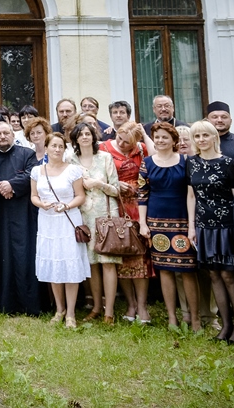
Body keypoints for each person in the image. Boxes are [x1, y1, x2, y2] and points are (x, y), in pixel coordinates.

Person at [186, 120, 234, 342]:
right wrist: (192, 226)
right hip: (204, 226)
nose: (201, 140)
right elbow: (191, 196)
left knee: (229, 274)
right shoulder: (192, 162)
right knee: (213, 274)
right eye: (197, 136)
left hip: (226, 225)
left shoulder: (228, 163)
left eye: (205, 135)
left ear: (214, 137)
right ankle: (225, 325)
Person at [139, 122, 200, 331]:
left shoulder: (186, 161)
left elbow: (192, 194)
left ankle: (195, 319)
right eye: (157, 137)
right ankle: (172, 318)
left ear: (174, 140)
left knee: (188, 270)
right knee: (164, 269)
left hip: (182, 219)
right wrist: (143, 224)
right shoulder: (147, 163)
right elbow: (142, 195)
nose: (160, 140)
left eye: (165, 137)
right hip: (157, 221)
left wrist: (192, 225)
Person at [31, 133, 90, 327]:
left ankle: (71, 313)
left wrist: (67, 205)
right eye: (53, 146)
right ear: (46, 147)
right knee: (54, 264)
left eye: (60, 146)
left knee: (69, 264)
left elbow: (80, 196)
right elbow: (33, 196)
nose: (57, 149)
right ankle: (59, 309)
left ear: (65, 149)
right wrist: (41, 203)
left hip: (68, 220)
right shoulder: (37, 171)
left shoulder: (73, 170)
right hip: (47, 221)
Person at [100, 121, 153, 323]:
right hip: (117, 205)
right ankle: (130, 304)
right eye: (120, 139)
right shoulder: (104, 148)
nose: (122, 144)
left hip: (139, 207)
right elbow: (95, 172)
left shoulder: (142, 149)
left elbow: (155, 158)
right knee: (120, 256)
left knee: (140, 258)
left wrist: (144, 137)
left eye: (127, 142)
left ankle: (142, 305)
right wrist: (114, 183)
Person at [0, 120, 39, 315]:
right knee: (1, 255)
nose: (2, 137)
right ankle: (5, 304)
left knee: (23, 254)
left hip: (23, 214)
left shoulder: (27, 154)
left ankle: (28, 304)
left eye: (6, 133)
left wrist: (12, 185)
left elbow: (32, 174)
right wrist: (2, 188)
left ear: (13, 135)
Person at [72, 123, 122, 323]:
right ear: (75, 139)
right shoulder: (70, 160)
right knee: (92, 263)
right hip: (83, 216)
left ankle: (109, 311)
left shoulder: (105, 157)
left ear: (93, 137)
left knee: (108, 262)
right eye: (81, 134)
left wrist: (98, 184)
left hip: (106, 215)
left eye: (88, 134)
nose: (85, 137)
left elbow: (116, 190)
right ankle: (96, 307)